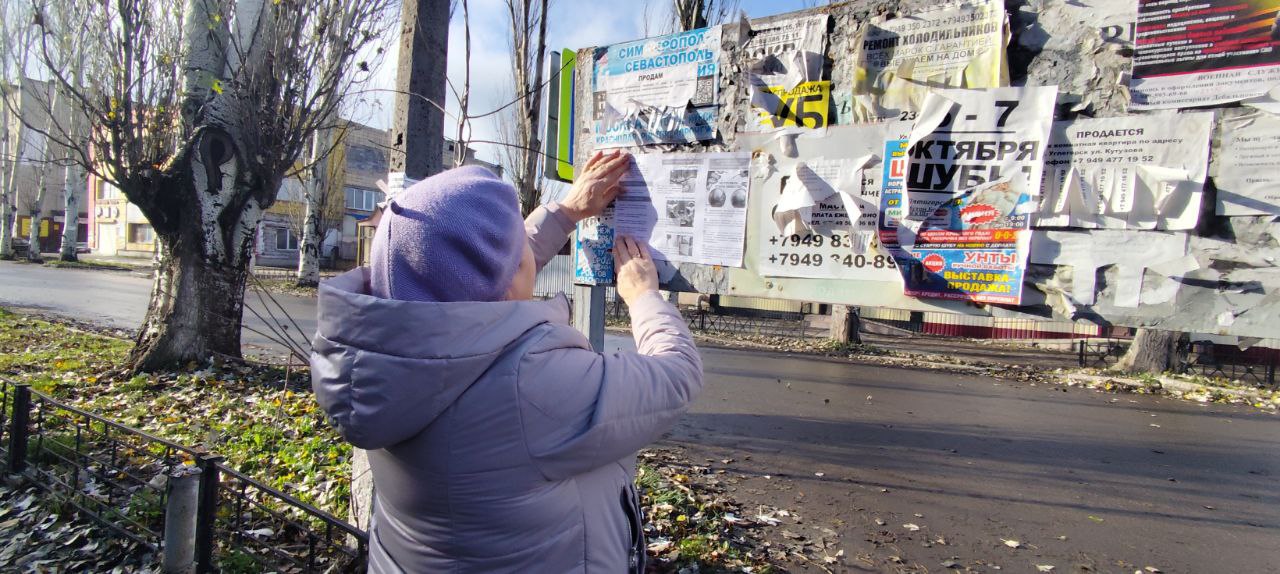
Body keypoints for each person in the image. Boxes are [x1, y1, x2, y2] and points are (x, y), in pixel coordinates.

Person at [310, 150, 703, 573]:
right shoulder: (532, 387)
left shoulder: (381, 356)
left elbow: (478, 270)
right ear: (512, 271)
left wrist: (567, 212)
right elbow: (676, 374)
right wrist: (643, 296)